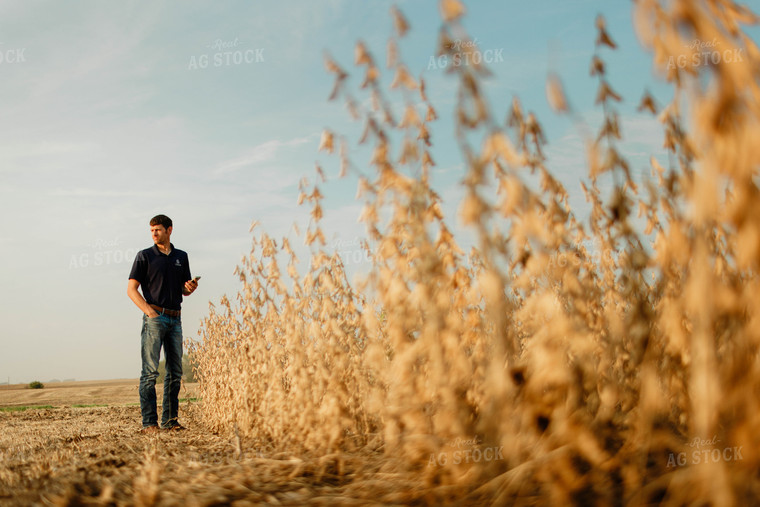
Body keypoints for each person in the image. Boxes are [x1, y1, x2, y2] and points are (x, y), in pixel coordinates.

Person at [127, 214, 198, 433]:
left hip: (176, 319)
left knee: (175, 373)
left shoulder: (181, 256)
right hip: (155, 318)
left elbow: (183, 290)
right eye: (151, 230)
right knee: (149, 373)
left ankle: (170, 421)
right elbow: (131, 289)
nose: (154, 233)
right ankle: (149, 423)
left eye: (158, 229)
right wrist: (149, 312)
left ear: (169, 230)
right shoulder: (144, 256)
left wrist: (190, 288)